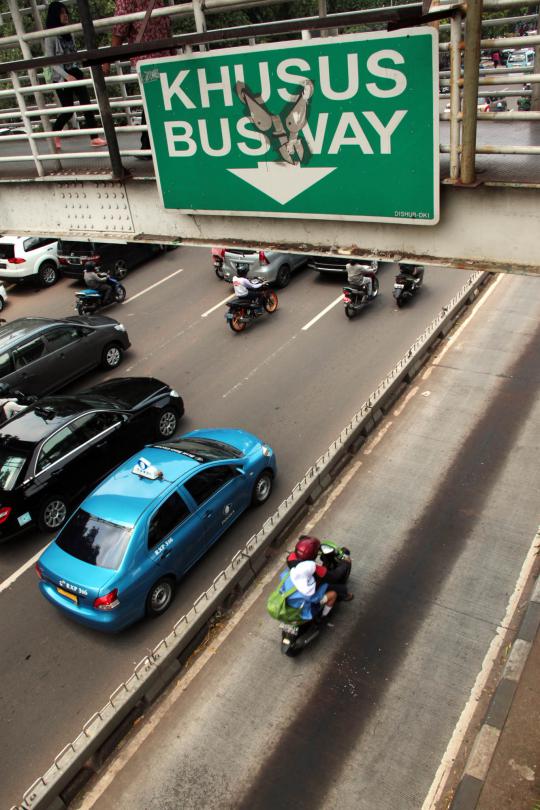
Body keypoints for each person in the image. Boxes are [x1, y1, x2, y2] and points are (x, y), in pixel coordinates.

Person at [103, 0, 176, 159]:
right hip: (163, 59)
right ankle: (151, 144)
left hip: (146, 60)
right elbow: (167, 28)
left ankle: (149, 145)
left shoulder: (126, 1)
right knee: (156, 101)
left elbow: (119, 30)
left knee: (153, 101)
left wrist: (107, 60)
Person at [44, 2, 107, 151]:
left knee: (86, 103)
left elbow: (74, 54)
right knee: (68, 109)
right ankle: (55, 133)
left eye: (66, 12)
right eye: (61, 13)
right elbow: (51, 62)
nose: (65, 15)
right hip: (60, 76)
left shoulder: (69, 32)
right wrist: (66, 76)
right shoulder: (49, 37)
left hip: (75, 71)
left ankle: (94, 137)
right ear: (54, 16)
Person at [286, 536, 353, 601]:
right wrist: (344, 564)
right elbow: (334, 576)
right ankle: (344, 596)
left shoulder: (290, 557)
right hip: (312, 587)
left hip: (296, 581)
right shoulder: (313, 568)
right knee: (342, 589)